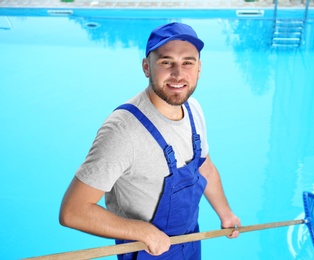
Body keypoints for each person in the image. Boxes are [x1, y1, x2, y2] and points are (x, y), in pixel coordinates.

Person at [59, 22, 241, 260]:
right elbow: (73, 211)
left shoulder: (194, 109)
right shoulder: (122, 131)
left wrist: (225, 213)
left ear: (199, 68)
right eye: (166, 62)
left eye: (188, 62)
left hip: (189, 241)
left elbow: (204, 166)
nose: (178, 74)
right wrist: (141, 231)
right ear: (146, 67)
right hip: (146, 251)